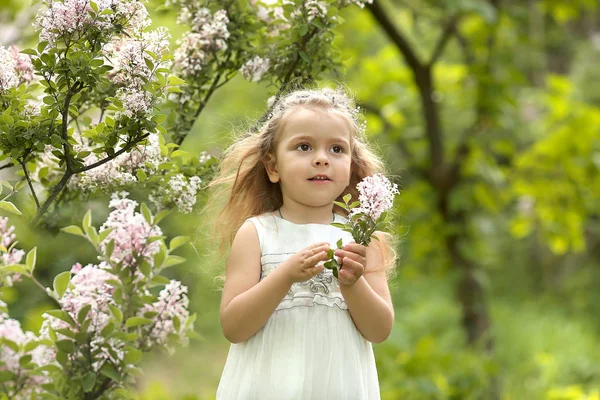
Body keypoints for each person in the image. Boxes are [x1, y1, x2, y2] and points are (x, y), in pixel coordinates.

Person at [202, 87, 398, 400]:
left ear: (350, 165)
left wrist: (353, 285)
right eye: (304, 146)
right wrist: (285, 275)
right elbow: (234, 327)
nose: (321, 159)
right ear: (273, 167)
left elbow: (380, 330)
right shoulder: (257, 233)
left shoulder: (362, 239)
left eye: (336, 149)